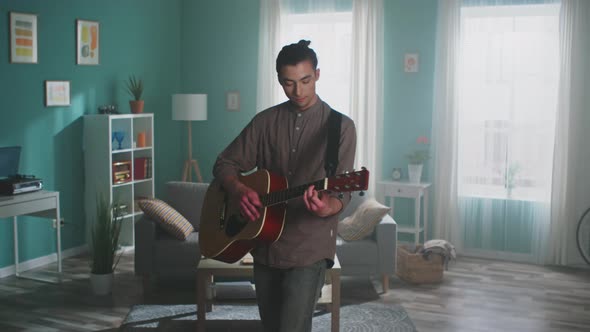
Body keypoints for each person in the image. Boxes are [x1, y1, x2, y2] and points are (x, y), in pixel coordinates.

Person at [213, 39, 357, 332]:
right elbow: (224, 163)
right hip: (265, 242)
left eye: (305, 80)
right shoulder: (264, 122)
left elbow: (342, 191)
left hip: (310, 245)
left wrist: (328, 205)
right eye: (288, 83)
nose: (298, 91)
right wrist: (238, 189)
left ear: (317, 75)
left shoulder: (341, 127)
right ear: (279, 80)